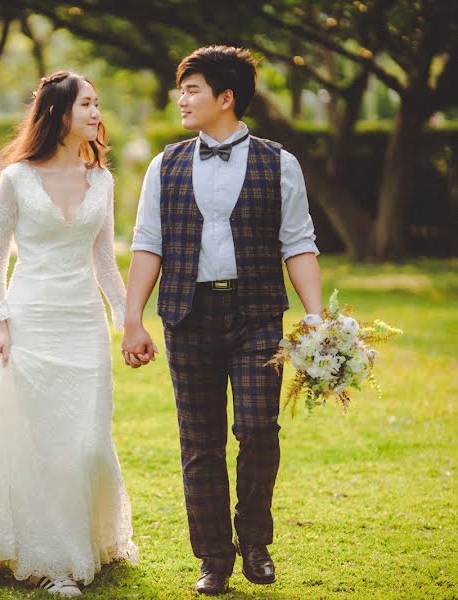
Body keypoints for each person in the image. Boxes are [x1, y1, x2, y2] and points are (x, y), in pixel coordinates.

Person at [0, 71, 138, 597]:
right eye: (86, 104)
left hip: (82, 326)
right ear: (59, 113)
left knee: (86, 443)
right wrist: (1, 325)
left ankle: (84, 539)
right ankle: (55, 561)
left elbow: (105, 262)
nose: (95, 112)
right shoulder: (18, 179)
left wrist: (126, 320)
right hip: (32, 322)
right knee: (39, 441)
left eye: (97, 103)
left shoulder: (103, 180)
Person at [121, 46, 323, 595]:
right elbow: (147, 244)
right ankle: (213, 557)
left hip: (257, 314)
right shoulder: (165, 164)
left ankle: (254, 540)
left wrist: (317, 317)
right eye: (180, 89)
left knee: (258, 430)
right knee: (200, 443)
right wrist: (132, 319)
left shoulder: (279, 162)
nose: (180, 98)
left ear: (225, 98)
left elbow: (298, 242)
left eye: (191, 89)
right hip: (186, 316)